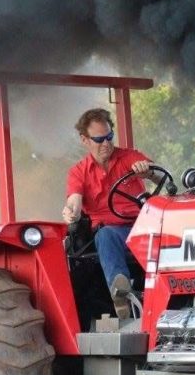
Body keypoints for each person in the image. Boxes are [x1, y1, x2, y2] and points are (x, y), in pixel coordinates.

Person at [61, 108, 158, 319]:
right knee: (105, 235)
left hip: (144, 228)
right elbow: (74, 201)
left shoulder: (129, 157)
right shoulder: (78, 172)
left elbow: (160, 177)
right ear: (85, 140)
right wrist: (72, 212)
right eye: (99, 139)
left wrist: (148, 172)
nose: (106, 143)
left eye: (109, 137)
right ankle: (120, 293)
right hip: (114, 234)